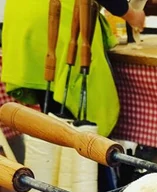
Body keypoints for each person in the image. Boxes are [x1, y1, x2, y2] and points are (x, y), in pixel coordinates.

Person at [2, 0, 145, 135]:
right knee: (79, 107)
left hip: (22, 22)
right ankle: (84, 153)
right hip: (58, 19)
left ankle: (58, 155)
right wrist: (132, 14)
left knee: (52, 102)